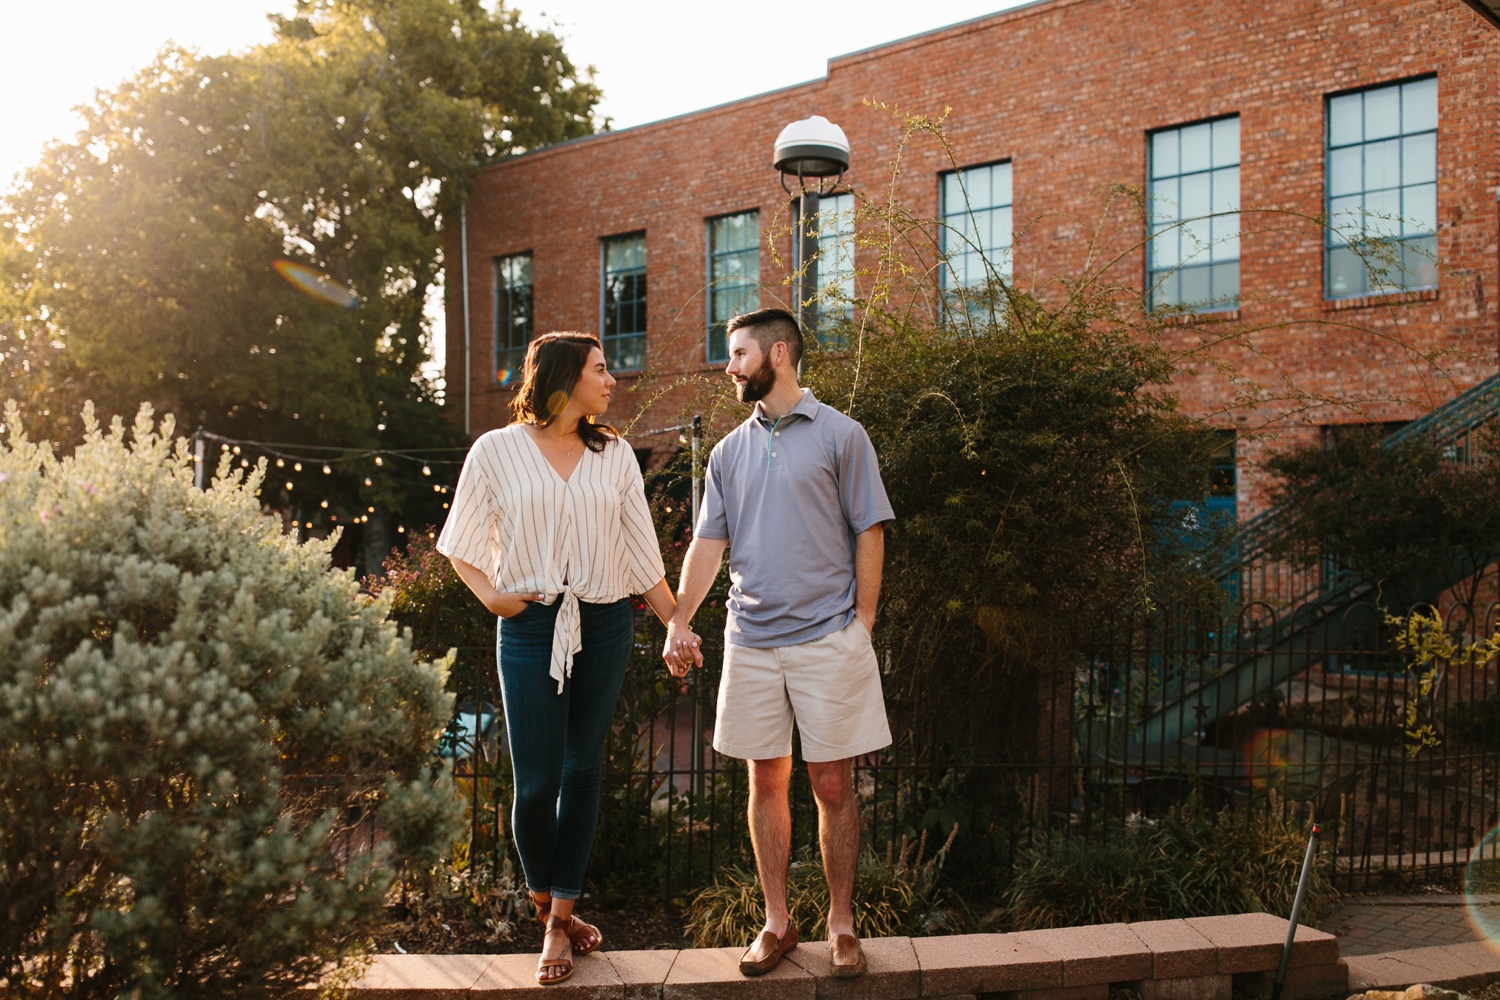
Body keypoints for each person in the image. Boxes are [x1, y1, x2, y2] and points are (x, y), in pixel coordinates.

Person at [439, 331, 694, 986]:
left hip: (605, 621)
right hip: (528, 626)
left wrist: (676, 625)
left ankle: (558, 923)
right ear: (563, 376)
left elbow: (642, 554)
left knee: (583, 769)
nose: (612, 381)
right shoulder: (496, 451)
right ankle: (548, 904)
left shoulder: (614, 457)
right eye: (601, 370)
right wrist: (493, 597)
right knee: (535, 783)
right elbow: (461, 540)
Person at [662, 307, 894, 979]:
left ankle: (842, 926)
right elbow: (708, 546)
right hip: (751, 641)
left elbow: (870, 531)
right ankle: (777, 922)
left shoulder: (842, 436)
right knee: (765, 779)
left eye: (737, 353)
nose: (728, 366)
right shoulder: (729, 450)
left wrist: (864, 624)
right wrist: (679, 618)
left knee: (831, 783)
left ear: (779, 353)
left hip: (829, 637)